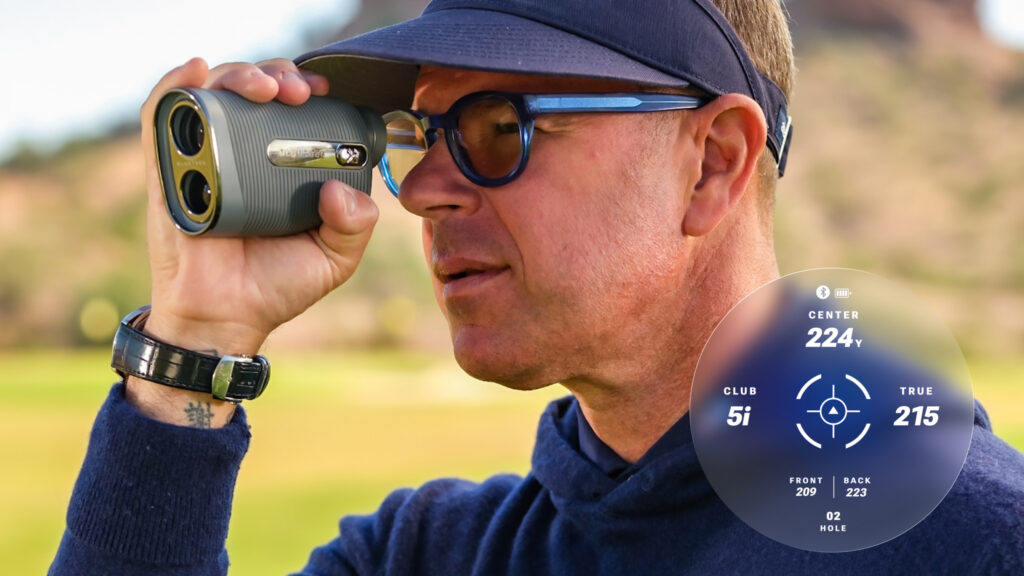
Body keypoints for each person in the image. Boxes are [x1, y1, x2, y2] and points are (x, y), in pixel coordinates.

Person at [50, 0, 1024, 574]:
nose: (421, 191)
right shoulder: (424, 555)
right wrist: (193, 345)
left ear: (713, 164)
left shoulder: (973, 545)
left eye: (496, 128)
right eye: (421, 135)